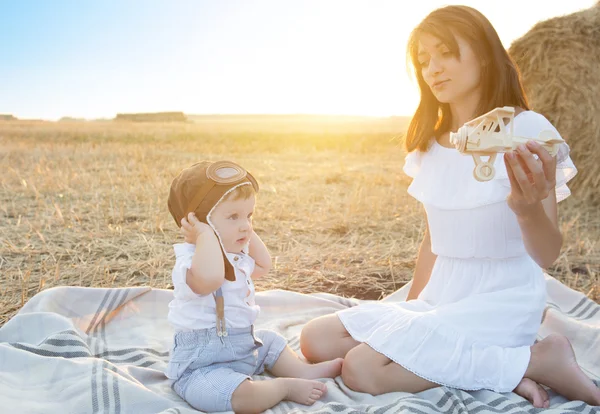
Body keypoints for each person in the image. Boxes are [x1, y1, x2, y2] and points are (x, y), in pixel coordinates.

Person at [299, 5, 600, 409]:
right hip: (443, 292)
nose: (433, 69)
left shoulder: (527, 131)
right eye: (424, 61)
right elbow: (432, 242)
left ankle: (541, 357)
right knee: (316, 339)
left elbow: (547, 254)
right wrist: (405, 317)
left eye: (445, 53)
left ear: (483, 53)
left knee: (363, 369)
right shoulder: (429, 146)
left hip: (501, 296)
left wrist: (527, 211)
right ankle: (517, 368)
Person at [165, 160, 343, 414]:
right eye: (233, 216)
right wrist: (205, 235)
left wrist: (244, 229)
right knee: (235, 397)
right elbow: (211, 280)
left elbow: (263, 265)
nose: (245, 225)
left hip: (244, 348)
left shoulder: (236, 254)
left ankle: (304, 371)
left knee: (269, 340)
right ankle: (283, 387)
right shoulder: (190, 260)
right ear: (198, 222)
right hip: (201, 366)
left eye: (249, 215)